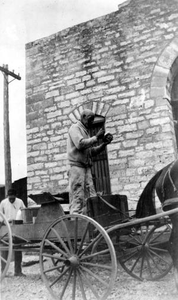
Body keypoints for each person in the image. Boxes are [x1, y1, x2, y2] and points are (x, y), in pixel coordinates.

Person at [67, 109, 113, 214]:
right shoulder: (75, 128)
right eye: (90, 119)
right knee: (78, 199)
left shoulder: (85, 131)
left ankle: (88, 224)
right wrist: (96, 137)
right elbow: (80, 144)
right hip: (77, 168)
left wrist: (104, 144)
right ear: (82, 117)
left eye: (93, 120)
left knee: (91, 197)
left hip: (85, 168)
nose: (91, 122)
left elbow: (90, 152)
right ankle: (75, 224)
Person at [0, 188, 26, 276]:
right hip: (6, 227)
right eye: (10, 198)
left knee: (18, 248)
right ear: (7, 196)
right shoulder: (3, 203)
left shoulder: (20, 202)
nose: (11, 199)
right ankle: (4, 271)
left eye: (13, 198)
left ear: (15, 196)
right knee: (4, 250)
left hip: (17, 227)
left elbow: (24, 212)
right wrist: (3, 221)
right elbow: (0, 214)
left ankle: (18, 271)